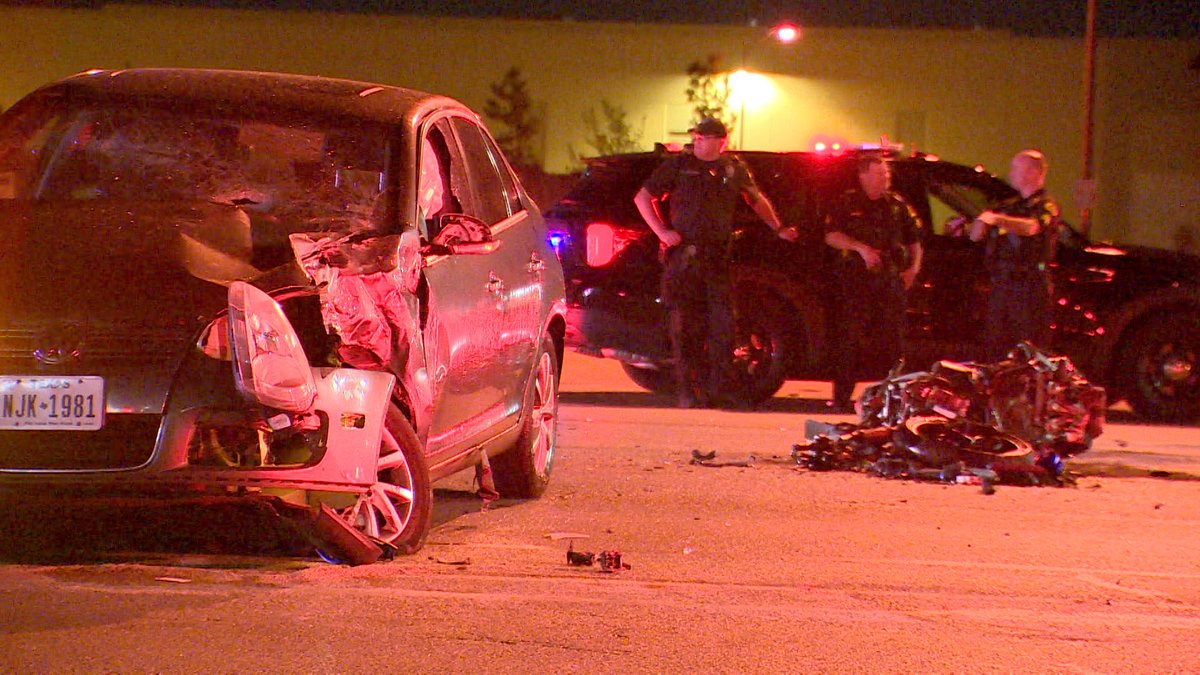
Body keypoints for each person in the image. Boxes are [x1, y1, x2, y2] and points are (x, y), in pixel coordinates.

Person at [633, 117, 798, 408]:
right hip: (685, 258)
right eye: (696, 136)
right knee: (684, 328)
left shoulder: (733, 169)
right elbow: (643, 197)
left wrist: (777, 228)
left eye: (703, 137)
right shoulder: (678, 166)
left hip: (718, 258)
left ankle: (721, 392)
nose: (697, 141)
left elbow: (756, 199)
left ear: (720, 141)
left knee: (724, 328)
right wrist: (662, 231)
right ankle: (687, 392)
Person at [823, 154, 924, 412]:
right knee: (849, 339)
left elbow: (915, 241)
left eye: (886, 174)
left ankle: (891, 399)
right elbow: (831, 235)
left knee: (893, 341)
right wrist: (860, 248)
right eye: (879, 174)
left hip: (890, 281)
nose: (885, 179)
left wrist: (913, 269)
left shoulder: (897, 206)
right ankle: (841, 397)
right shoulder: (847, 202)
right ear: (863, 175)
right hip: (856, 281)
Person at [969, 149, 1060, 361]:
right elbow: (975, 236)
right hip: (1003, 284)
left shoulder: (1045, 205)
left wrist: (999, 220)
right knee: (997, 345)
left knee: (1030, 348)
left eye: (1016, 169)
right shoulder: (1008, 206)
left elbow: (1032, 228)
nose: (1010, 174)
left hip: (1029, 286)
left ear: (1034, 172)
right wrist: (982, 221)